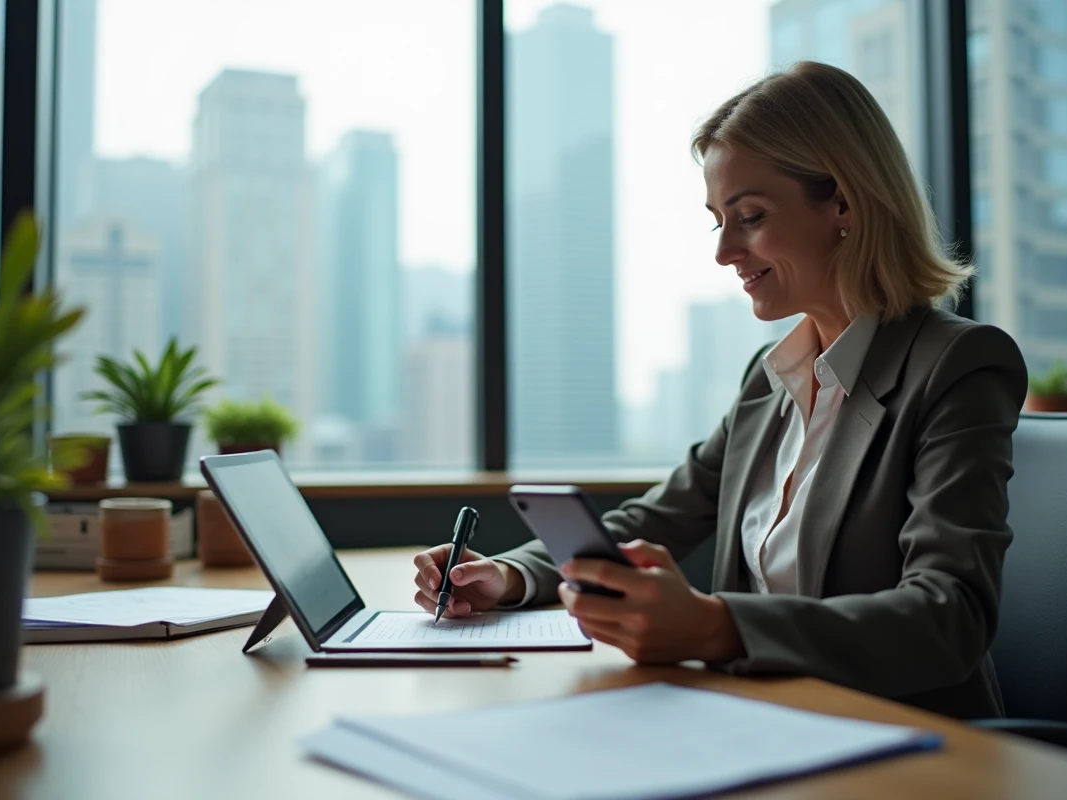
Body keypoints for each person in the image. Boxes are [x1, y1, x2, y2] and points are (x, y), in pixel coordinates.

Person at [411, 61, 1026, 720]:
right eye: (718, 222)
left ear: (844, 204)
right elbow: (655, 519)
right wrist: (509, 576)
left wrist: (716, 628)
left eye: (750, 217)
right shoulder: (772, 377)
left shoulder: (957, 365)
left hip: (903, 737)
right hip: (763, 719)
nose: (725, 251)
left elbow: (949, 616)